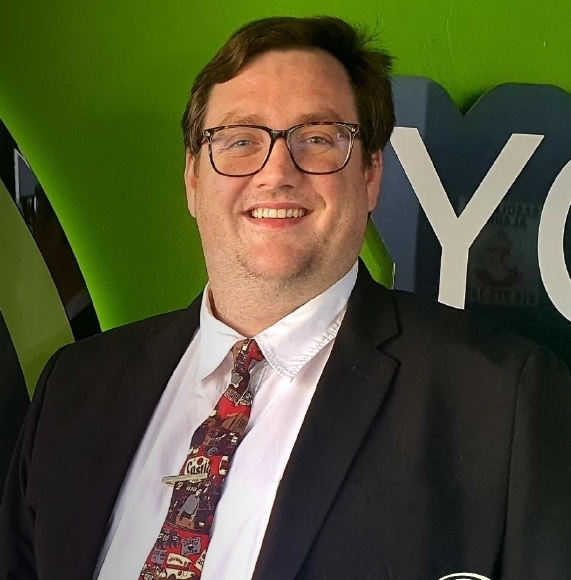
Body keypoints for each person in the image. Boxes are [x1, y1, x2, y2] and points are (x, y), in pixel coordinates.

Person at [1, 15, 571, 580]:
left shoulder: (502, 405)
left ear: (371, 174)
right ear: (193, 179)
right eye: (240, 140)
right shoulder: (74, 387)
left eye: (317, 139)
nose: (276, 173)